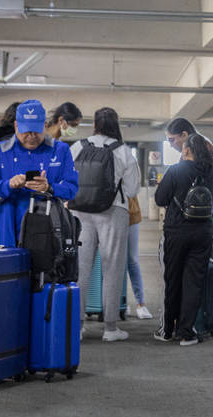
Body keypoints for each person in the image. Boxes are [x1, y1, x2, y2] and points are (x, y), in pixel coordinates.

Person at [70, 107, 140, 342]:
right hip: (113, 212)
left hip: (80, 212)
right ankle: (110, 329)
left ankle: (77, 326)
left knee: (80, 268)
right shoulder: (122, 151)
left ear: (94, 125)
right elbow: (131, 190)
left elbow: (65, 179)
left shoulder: (78, 146)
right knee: (112, 268)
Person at [0, 99, 78, 248]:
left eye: (36, 131)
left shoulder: (61, 150)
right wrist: (8, 185)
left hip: (48, 230)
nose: (31, 136)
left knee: (47, 269)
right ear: (16, 126)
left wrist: (49, 188)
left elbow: (72, 189)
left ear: (45, 126)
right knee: (11, 269)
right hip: (9, 230)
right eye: (26, 131)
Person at [154, 133, 213, 346]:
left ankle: (167, 331)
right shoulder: (211, 171)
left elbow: (160, 199)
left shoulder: (176, 170)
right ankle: (186, 332)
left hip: (176, 231)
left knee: (172, 281)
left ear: (187, 150)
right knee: (194, 282)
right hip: (203, 233)